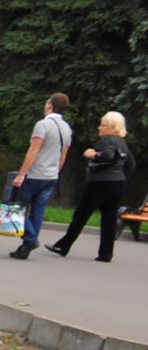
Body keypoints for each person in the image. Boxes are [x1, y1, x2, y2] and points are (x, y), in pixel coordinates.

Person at [47, 111, 135, 261]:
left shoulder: (106, 140)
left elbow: (107, 156)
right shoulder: (122, 143)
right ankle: (106, 254)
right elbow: (132, 164)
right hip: (117, 183)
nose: (99, 127)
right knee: (109, 218)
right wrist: (120, 177)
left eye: (103, 125)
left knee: (81, 215)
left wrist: (91, 154)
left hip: (99, 183)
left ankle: (63, 246)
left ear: (113, 127)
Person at [9, 93, 73, 259]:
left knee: (16, 207)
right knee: (38, 211)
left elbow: (34, 150)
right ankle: (25, 249)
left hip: (35, 174)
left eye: (46, 102)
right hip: (51, 176)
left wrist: (21, 174)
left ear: (50, 105)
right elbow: (63, 155)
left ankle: (30, 239)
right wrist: (55, 172)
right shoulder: (67, 128)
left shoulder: (42, 125)